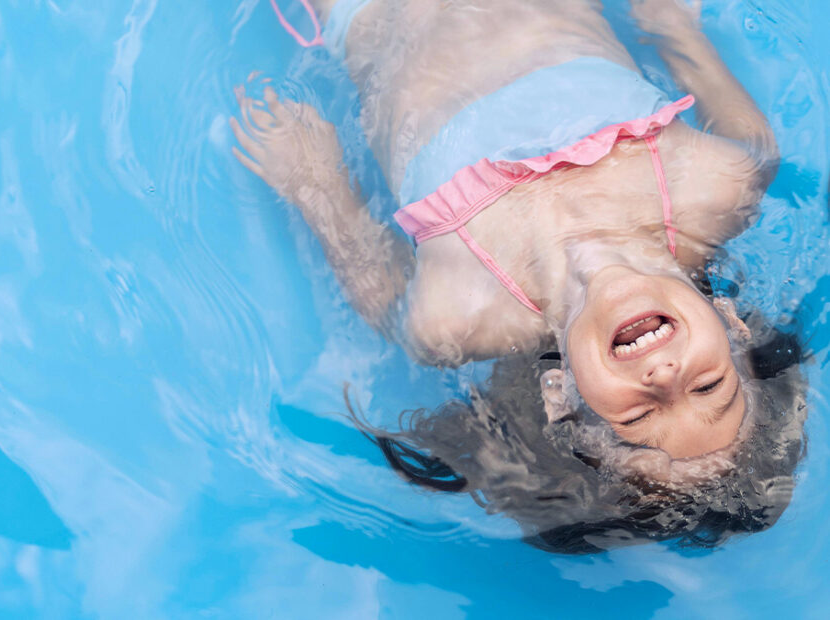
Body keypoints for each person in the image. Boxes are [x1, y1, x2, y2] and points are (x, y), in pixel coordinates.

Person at [231, 0, 781, 461]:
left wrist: (316, 185)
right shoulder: (713, 186)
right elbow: (758, 147)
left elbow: (387, 303)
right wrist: (671, 27)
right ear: (731, 327)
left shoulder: (464, 313)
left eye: (639, 415)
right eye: (709, 387)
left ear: (562, 394)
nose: (664, 378)